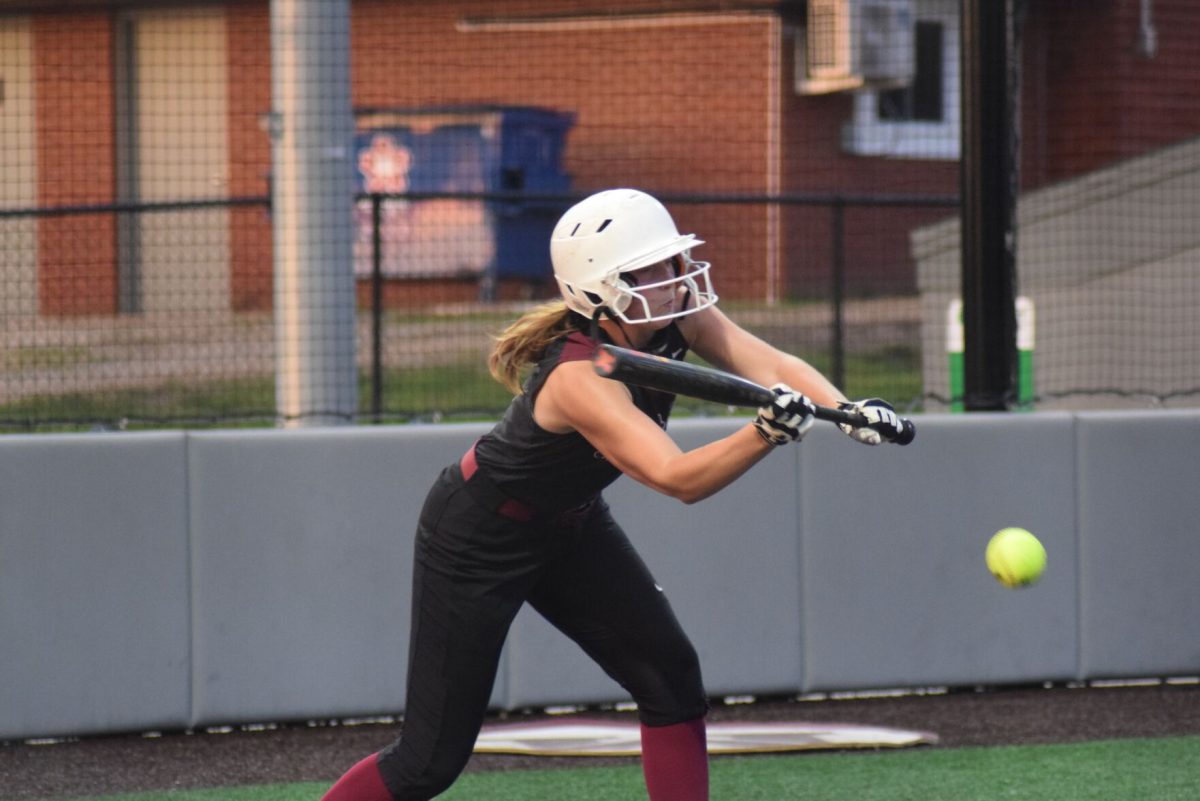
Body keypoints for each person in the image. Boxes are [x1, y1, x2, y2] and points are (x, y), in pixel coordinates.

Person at [319, 188, 905, 801]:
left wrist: (846, 407)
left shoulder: (676, 310)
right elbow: (677, 479)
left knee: (671, 680)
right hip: (479, 535)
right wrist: (764, 433)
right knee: (427, 763)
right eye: (647, 271)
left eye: (670, 263)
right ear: (598, 291)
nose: (672, 280)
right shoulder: (578, 376)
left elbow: (767, 360)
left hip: (569, 524)